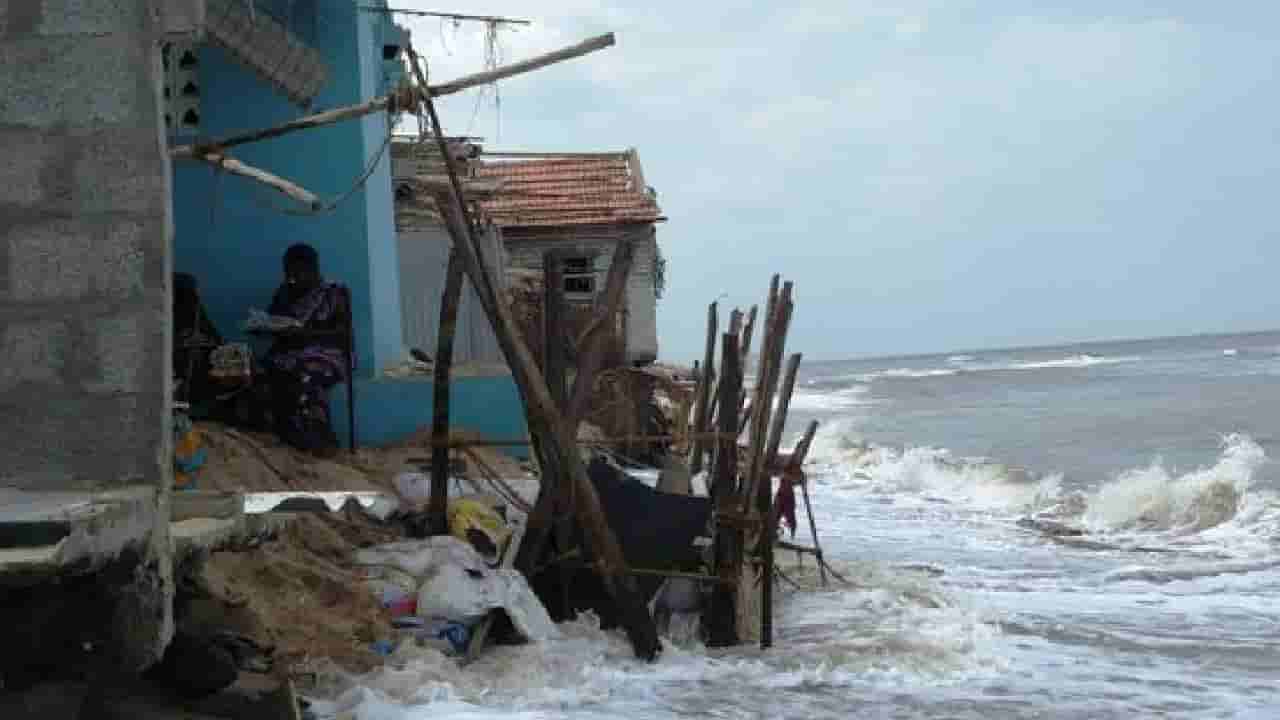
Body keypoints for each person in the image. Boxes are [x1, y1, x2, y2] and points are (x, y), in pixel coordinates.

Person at [263, 243, 349, 455]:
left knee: (306, 376)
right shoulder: (284, 293)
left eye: (297, 271)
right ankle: (288, 433)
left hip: (328, 355)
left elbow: (342, 334)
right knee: (268, 371)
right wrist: (266, 327)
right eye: (289, 272)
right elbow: (274, 322)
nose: (292, 277)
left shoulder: (333, 294)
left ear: (313, 269)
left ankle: (320, 437)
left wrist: (305, 335)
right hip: (289, 353)